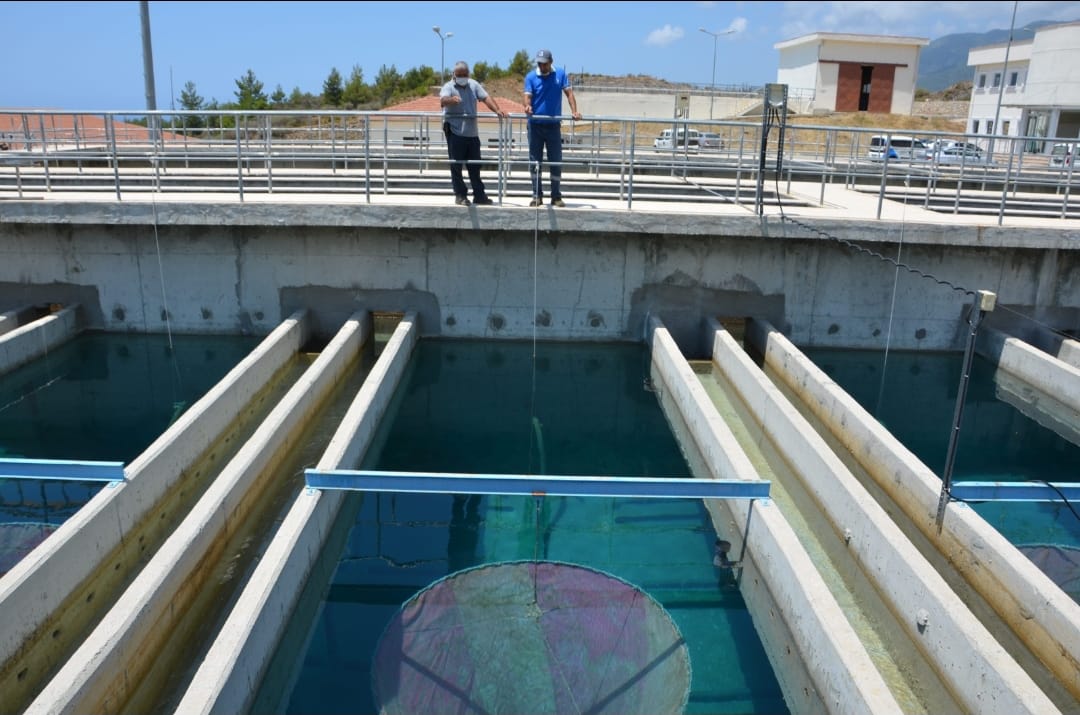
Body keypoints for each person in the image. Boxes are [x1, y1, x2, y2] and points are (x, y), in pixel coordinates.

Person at [440, 61, 508, 206]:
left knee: (475, 166)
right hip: (455, 131)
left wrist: (497, 110)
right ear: (454, 75)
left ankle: (479, 195)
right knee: (456, 165)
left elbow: (486, 98)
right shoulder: (448, 87)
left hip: (472, 134)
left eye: (465, 75)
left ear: (468, 74)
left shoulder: (473, 85)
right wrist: (452, 100)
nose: (462, 77)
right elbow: (443, 100)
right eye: (459, 75)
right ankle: (460, 195)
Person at [523, 49, 581, 208]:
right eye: (539, 63)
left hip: (553, 126)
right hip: (535, 126)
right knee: (535, 161)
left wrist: (574, 111)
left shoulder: (560, 74)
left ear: (551, 62)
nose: (541, 66)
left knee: (555, 161)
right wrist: (527, 107)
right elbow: (527, 97)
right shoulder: (531, 77)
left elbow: (569, 94)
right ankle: (536, 195)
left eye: (544, 63)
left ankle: (556, 196)